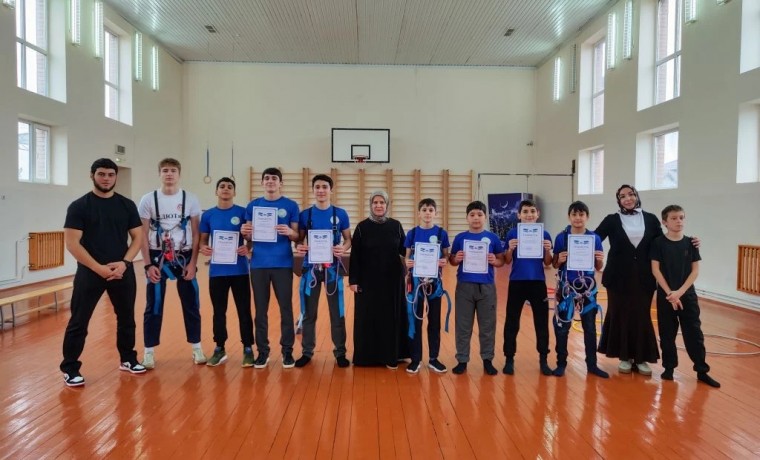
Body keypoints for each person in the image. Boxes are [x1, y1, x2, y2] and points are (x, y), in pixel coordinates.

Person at [60, 158, 146, 386]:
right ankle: (70, 368)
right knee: (79, 321)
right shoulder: (79, 206)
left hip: (121, 271)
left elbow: (138, 237)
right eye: (101, 174)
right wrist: (98, 268)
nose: (106, 178)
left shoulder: (127, 205)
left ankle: (128, 359)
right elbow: (72, 244)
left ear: (116, 176)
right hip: (90, 272)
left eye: (110, 174)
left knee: (126, 318)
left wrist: (125, 263)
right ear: (92, 175)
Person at [139, 158, 205, 368]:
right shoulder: (148, 200)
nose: (169, 174)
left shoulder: (190, 199)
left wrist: (193, 263)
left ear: (179, 174)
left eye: (173, 170)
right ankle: (148, 352)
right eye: (165, 170)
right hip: (157, 258)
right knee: (154, 304)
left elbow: (196, 234)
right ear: (159, 173)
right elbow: (142, 234)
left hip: (183, 257)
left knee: (192, 304)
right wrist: (148, 265)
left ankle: (197, 348)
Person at [650, 205, 720, 388]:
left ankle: (702, 370)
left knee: (694, 333)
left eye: (681, 217)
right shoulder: (658, 243)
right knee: (667, 333)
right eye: (674, 218)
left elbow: (695, 271)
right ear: (664, 222)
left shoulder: (691, 243)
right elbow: (655, 270)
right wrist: (670, 293)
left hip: (687, 296)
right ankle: (669, 369)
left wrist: (679, 292)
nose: (679, 221)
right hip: (666, 297)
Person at [595, 184, 660, 375]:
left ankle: (641, 358)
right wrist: (571, 238)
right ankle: (624, 356)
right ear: (618, 201)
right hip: (617, 277)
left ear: (637, 196)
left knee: (641, 315)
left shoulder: (651, 219)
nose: (627, 198)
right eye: (622, 196)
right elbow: (594, 238)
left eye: (631, 194)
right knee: (620, 314)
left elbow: (662, 243)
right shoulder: (612, 220)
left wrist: (687, 241)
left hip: (644, 277)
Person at [240, 167, 300, 369]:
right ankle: (263, 351)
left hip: (283, 264)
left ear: (281, 183)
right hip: (258, 264)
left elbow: (297, 236)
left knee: (286, 309)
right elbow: (248, 236)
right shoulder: (253, 205)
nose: (270, 181)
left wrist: (290, 232)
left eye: (274, 178)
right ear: (262, 182)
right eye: (266, 178)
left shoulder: (290, 205)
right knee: (260, 311)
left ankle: (287, 351)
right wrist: (245, 232)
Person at [294, 174, 351, 368]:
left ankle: (340, 352)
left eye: (324, 187)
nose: (321, 190)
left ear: (331, 190)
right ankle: (307, 352)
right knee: (308, 313)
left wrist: (343, 248)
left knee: (337, 312)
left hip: (333, 270)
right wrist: (299, 247)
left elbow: (348, 239)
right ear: (313, 190)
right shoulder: (305, 215)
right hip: (311, 270)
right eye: (317, 187)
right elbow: (299, 240)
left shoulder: (341, 213)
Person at [349, 191, 409, 369]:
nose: (378, 205)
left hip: (392, 281)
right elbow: (355, 255)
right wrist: (353, 280)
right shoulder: (362, 227)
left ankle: (391, 355)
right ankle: (367, 357)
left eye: (382, 202)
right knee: (367, 317)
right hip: (368, 281)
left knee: (391, 317)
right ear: (371, 205)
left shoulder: (396, 226)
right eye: (375, 202)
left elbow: (405, 250)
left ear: (387, 204)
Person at [199, 177, 254, 367]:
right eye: (222, 186)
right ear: (216, 191)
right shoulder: (208, 215)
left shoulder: (243, 212)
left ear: (234, 192)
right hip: (217, 272)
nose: (225, 189)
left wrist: (248, 247)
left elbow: (250, 238)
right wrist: (203, 248)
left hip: (240, 271)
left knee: (244, 310)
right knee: (219, 312)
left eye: (230, 186)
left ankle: (248, 348)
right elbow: (203, 240)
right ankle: (219, 347)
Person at [552, 201, 609, 378]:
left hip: (587, 290)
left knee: (590, 328)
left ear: (587, 217)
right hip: (566, 289)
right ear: (569, 216)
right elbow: (554, 264)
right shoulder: (561, 238)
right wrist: (560, 259)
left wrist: (599, 259)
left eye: (581, 214)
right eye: (574, 214)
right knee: (562, 327)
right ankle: (561, 363)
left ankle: (592, 365)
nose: (578, 218)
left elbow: (598, 267)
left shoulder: (594, 238)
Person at [449, 201, 505, 375]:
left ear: (485, 217)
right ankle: (462, 360)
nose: (476, 218)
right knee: (463, 325)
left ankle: (487, 360)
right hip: (464, 287)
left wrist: (494, 261)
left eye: (479, 215)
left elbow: (501, 260)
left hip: (486, 287)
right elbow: (452, 260)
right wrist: (456, 259)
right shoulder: (460, 238)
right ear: (467, 218)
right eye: (472, 215)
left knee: (487, 326)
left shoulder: (493, 238)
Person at [502, 199, 554, 376]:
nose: (529, 214)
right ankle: (509, 358)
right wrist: (510, 249)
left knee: (541, 322)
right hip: (517, 282)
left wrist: (548, 250)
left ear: (538, 214)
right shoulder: (512, 233)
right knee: (512, 322)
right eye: (525, 211)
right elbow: (507, 260)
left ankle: (543, 359)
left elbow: (548, 262)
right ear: (519, 215)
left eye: (532, 211)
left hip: (538, 283)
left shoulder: (544, 234)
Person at [402, 198, 450, 374]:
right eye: (424, 210)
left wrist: (444, 261)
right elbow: (407, 257)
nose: (427, 213)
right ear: (419, 213)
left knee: (434, 321)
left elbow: (446, 256)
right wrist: (408, 263)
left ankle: (433, 359)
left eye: (430, 210)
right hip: (415, 285)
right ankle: (415, 359)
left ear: (435, 213)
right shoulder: (412, 233)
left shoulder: (441, 233)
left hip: (434, 285)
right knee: (415, 320)